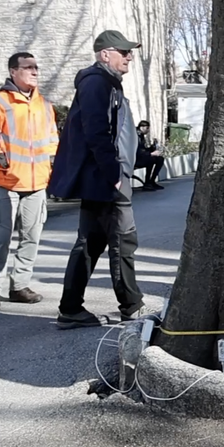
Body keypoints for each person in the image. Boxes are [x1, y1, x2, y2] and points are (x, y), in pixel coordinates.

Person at [49, 30, 147, 328]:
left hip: (102, 177)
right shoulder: (97, 83)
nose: (129, 57)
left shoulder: (105, 83)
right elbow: (97, 130)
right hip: (106, 178)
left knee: (91, 241)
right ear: (105, 54)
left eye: (130, 52)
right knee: (123, 240)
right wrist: (114, 173)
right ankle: (132, 307)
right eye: (124, 52)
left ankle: (71, 309)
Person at [0, 52, 60, 312]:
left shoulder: (44, 105)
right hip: (5, 181)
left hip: (37, 182)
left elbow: (53, 141)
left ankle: (19, 286)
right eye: (28, 67)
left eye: (36, 67)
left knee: (31, 238)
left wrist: (54, 166)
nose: (34, 71)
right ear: (13, 71)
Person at [135, 120, 165, 190]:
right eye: (147, 128)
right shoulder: (136, 136)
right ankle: (148, 182)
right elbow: (137, 151)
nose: (148, 130)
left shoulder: (141, 135)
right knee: (151, 159)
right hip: (134, 159)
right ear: (142, 127)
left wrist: (151, 148)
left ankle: (151, 181)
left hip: (140, 157)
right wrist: (151, 153)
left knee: (160, 159)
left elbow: (142, 149)